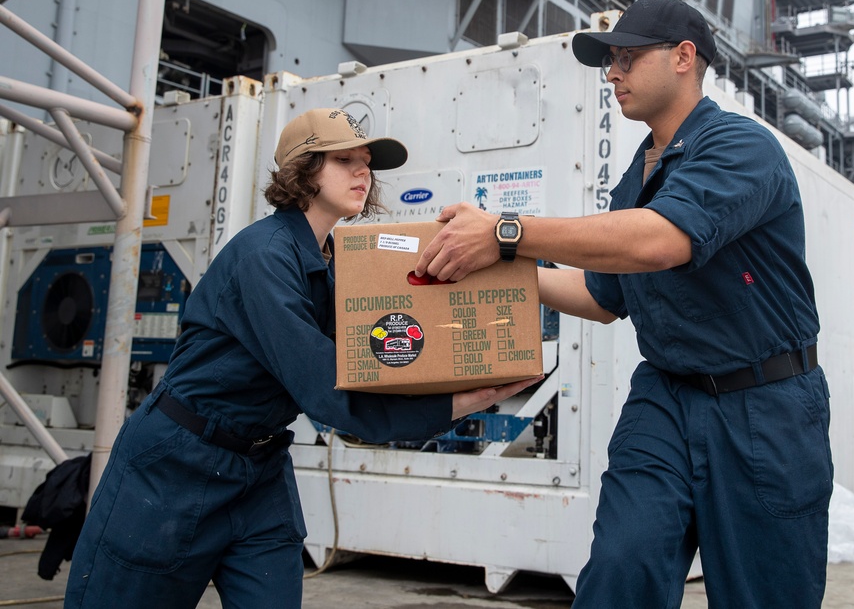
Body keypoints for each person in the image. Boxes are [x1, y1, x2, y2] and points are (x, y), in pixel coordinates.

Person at [414, 0, 833, 608]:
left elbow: (660, 242)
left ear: (685, 58)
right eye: (610, 61)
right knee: (619, 570)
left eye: (628, 58)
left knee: (763, 594)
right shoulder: (636, 177)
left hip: (762, 408)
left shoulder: (742, 147)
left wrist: (505, 231)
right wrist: (486, 267)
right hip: (665, 398)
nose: (613, 73)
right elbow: (599, 294)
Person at [64, 108, 540, 608]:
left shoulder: (333, 260)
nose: (364, 172)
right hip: (178, 465)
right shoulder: (264, 257)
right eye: (344, 160)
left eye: (366, 162)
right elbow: (324, 386)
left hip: (259, 465)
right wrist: (454, 404)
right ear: (304, 171)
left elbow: (372, 356)